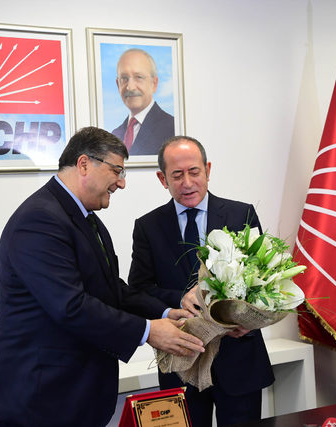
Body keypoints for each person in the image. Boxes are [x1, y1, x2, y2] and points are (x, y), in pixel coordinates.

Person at [0, 127, 204, 427]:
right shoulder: (39, 220)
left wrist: (165, 312)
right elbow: (70, 306)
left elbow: (111, 290)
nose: (121, 183)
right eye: (117, 171)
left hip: (74, 397)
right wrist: (148, 331)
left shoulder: (85, 218)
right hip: (38, 399)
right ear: (84, 163)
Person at [128, 136, 274, 425]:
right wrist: (177, 300)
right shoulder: (148, 226)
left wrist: (250, 320)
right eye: (177, 175)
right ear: (162, 179)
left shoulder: (240, 214)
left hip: (239, 358)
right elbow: (138, 291)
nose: (187, 183)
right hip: (180, 363)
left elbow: (263, 278)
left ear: (208, 170)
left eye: (194, 172)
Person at [111, 48, 174, 156]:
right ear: (118, 85)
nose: (130, 87)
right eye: (124, 79)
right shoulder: (115, 134)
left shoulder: (172, 128)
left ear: (154, 83)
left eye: (138, 77)